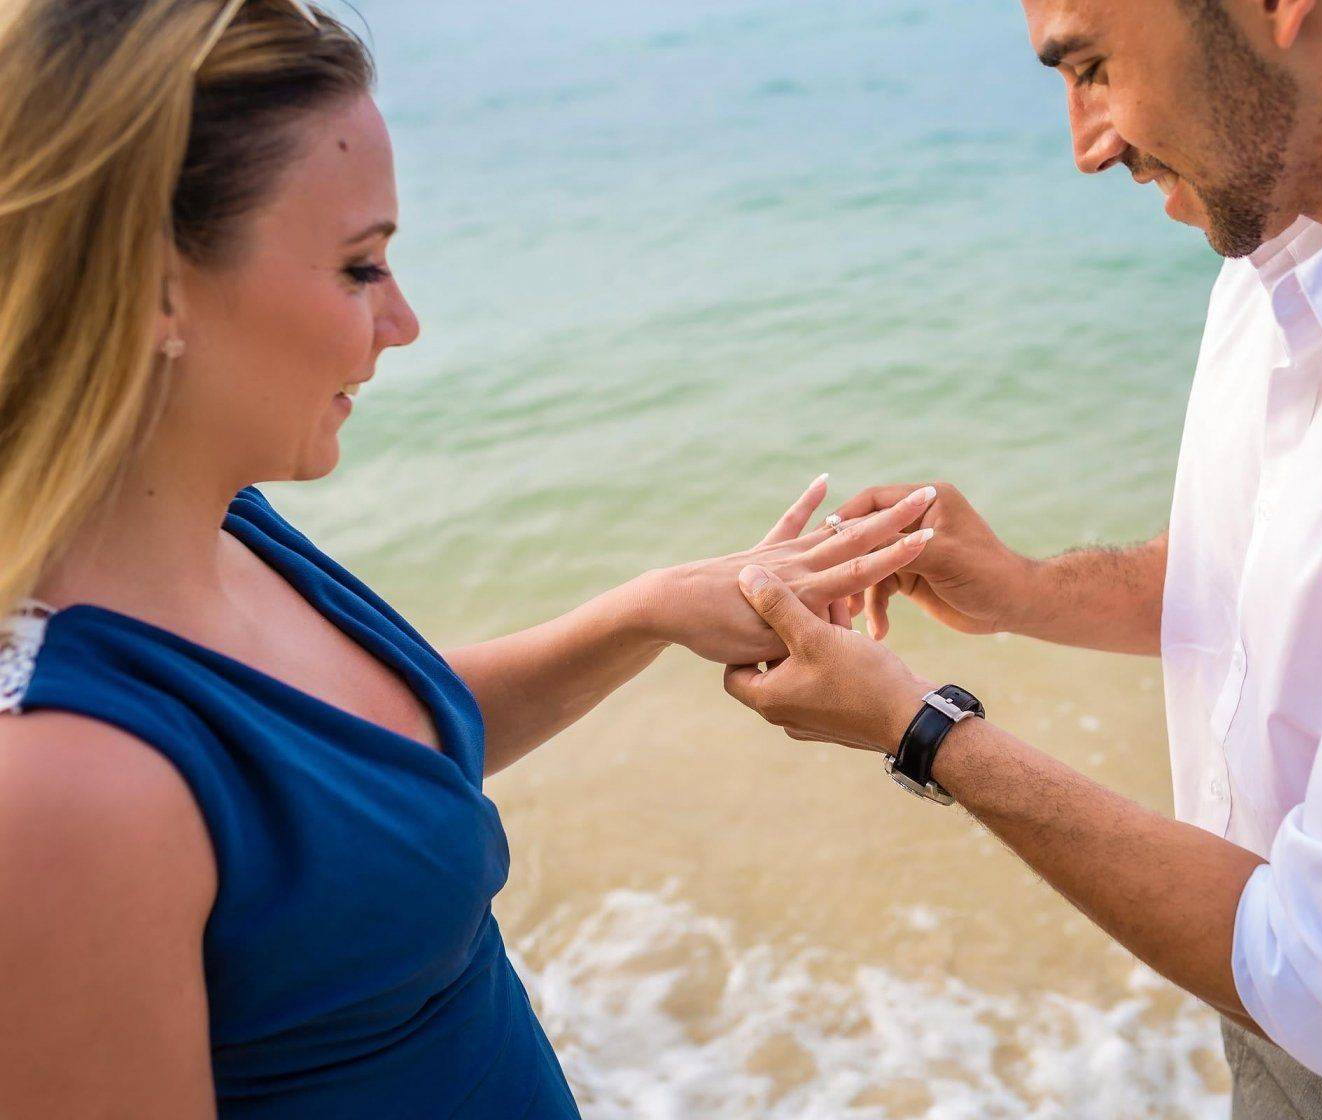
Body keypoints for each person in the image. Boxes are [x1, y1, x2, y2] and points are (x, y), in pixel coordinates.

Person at [723, 1, 1322, 1116]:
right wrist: (1023, 590)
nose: (1086, 146)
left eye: (1092, 66)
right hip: (1277, 1005)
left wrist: (922, 730)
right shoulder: (1300, 208)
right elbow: (1277, 577)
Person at [0, 2, 938, 1116]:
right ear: (156, 285)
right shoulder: (62, 787)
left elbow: (359, 766)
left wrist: (650, 611)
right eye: (360, 267)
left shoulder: (222, 523)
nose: (403, 321)